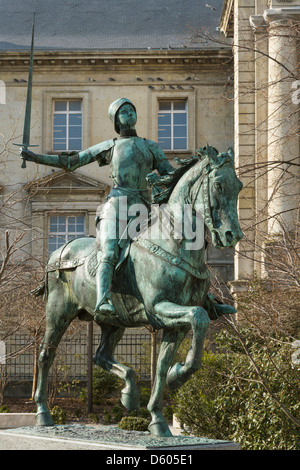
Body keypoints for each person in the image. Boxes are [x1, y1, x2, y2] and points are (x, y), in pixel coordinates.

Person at [21, 98, 174, 322]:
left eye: (133, 110)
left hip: (145, 209)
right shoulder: (109, 146)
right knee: (110, 251)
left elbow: (169, 174)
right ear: (116, 120)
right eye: (125, 112)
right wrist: (36, 158)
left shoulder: (151, 146)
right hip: (117, 207)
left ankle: (199, 296)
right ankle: (103, 299)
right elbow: (72, 162)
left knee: (176, 242)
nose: (130, 115)